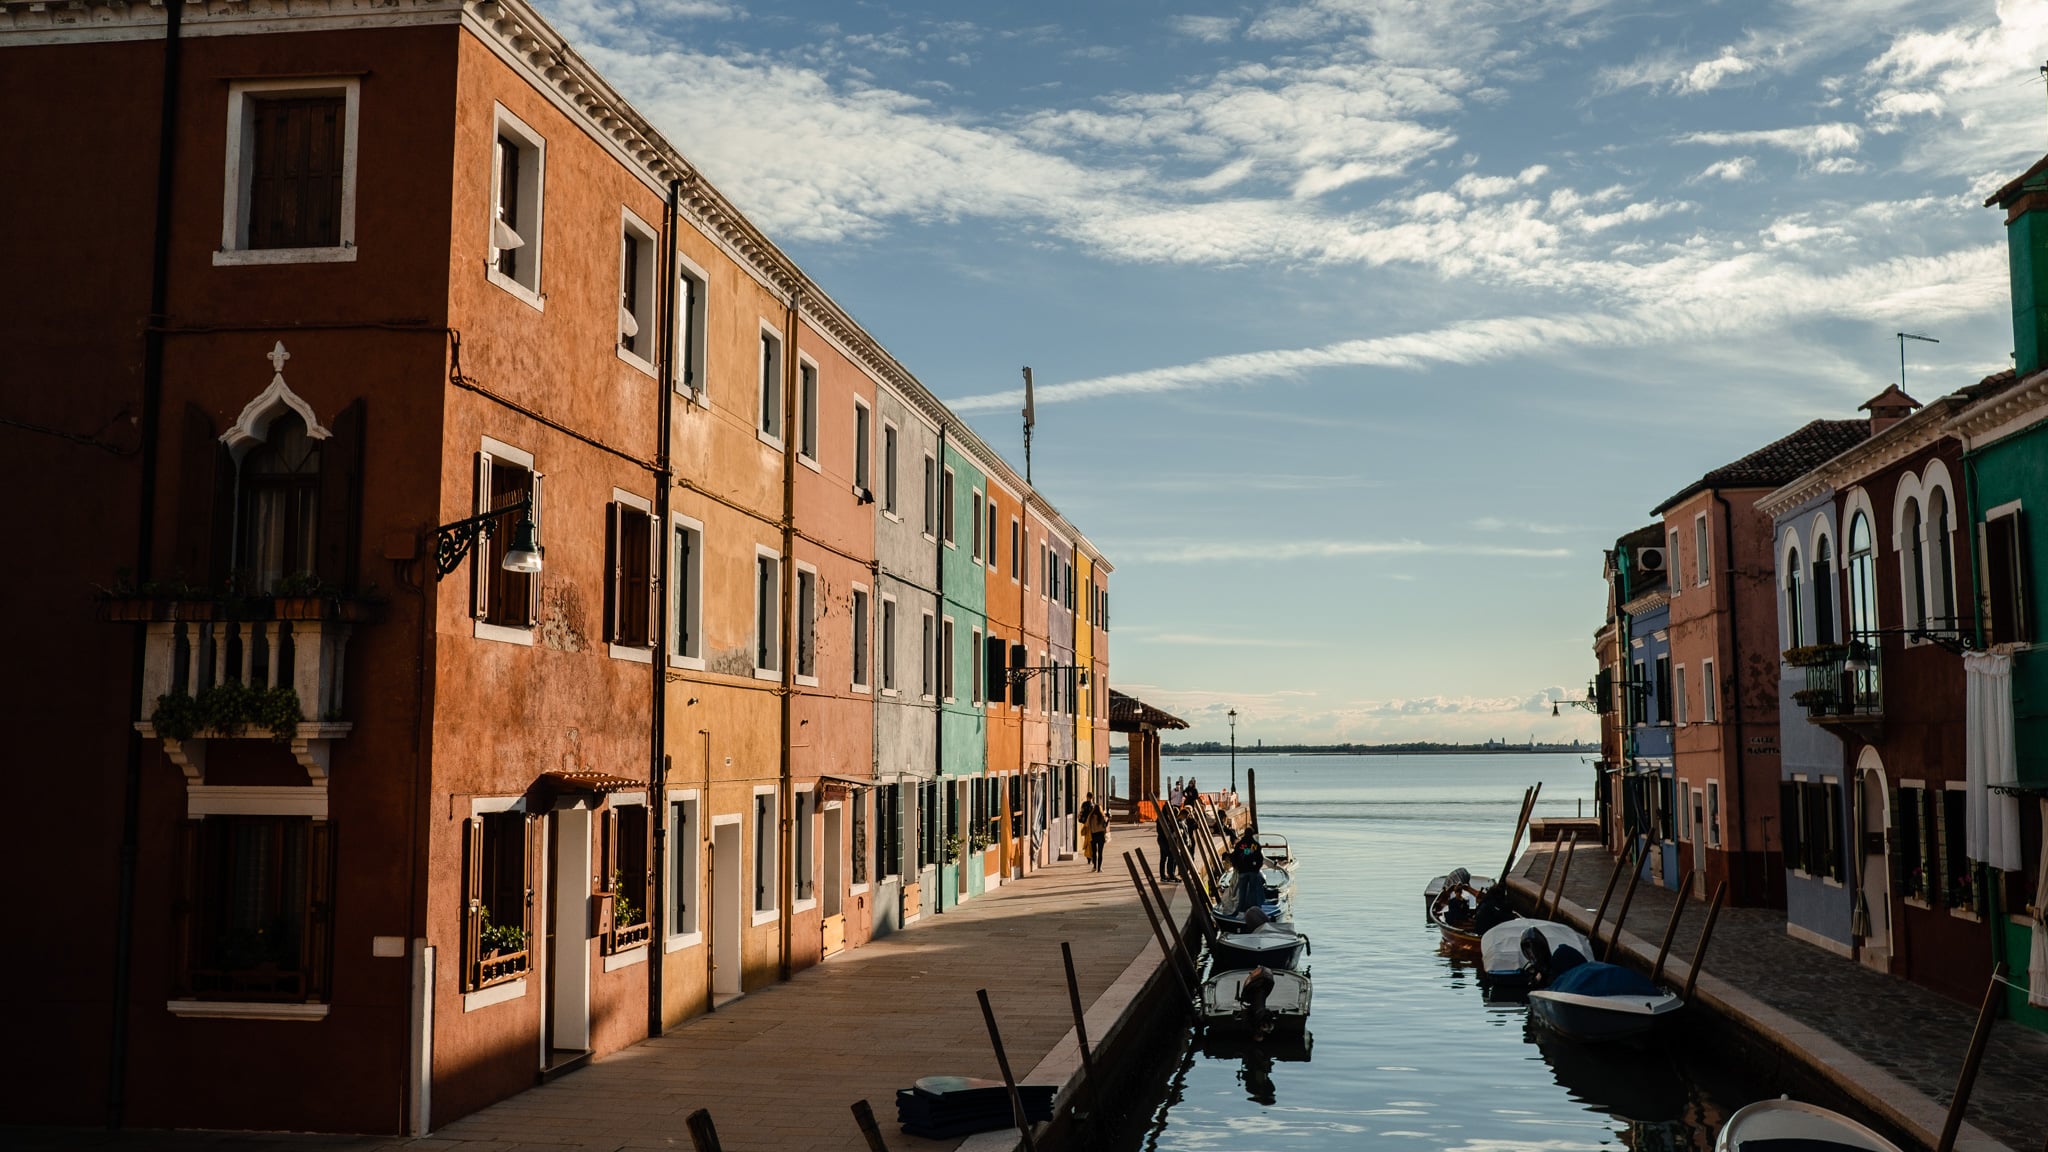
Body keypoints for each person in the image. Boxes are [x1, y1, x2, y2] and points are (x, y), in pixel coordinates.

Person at [1229, 829, 1266, 913]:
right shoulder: (1255, 845)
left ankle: (1241, 909)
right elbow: (1260, 858)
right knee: (1253, 890)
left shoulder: (1239, 845)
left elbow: (1235, 857)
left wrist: (1237, 867)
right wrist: (1257, 868)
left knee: (1242, 891)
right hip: (1253, 871)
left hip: (1242, 871)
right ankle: (1253, 909)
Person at [1083, 798, 1110, 872]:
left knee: (1094, 852)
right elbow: (1105, 826)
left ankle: (1094, 866)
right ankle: (1099, 868)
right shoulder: (1102, 817)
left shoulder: (1090, 817)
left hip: (1093, 835)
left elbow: (1087, 825)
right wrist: (1108, 819)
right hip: (1101, 835)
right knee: (1100, 853)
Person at [1155, 804, 1181, 881]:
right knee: (1171, 855)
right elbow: (1163, 830)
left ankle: (1163, 875)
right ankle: (1170, 874)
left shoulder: (1164, 818)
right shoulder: (1163, 819)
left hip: (1163, 839)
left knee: (1163, 858)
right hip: (1164, 839)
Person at [1078, 792, 1099, 863]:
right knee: (1092, 841)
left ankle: (1089, 857)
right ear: (1092, 797)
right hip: (1093, 827)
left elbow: (1081, 813)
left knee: (1087, 841)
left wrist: (1081, 820)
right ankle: (1091, 856)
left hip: (1087, 826)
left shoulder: (1084, 804)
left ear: (1087, 797)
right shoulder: (1094, 805)